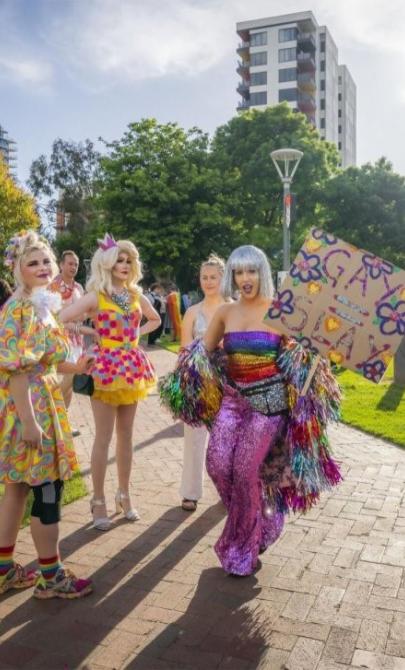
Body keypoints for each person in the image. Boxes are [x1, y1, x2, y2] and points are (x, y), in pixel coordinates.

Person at [161, 245, 341, 576]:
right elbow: (203, 352)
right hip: (232, 402)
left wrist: (316, 354)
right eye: (239, 272)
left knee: (245, 470)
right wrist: (187, 374)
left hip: (268, 406)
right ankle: (262, 522)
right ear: (233, 276)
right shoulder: (226, 313)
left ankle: (242, 547)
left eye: (252, 271)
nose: (245, 278)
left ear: (263, 273)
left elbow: (306, 357)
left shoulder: (280, 312)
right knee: (216, 464)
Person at [0, 230, 93, 599]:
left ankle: (4, 569)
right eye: (32, 262)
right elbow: (18, 370)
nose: (41, 267)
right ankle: (51, 577)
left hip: (36, 402)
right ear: (18, 268)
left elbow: (46, 360)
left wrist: (77, 367)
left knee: (17, 488)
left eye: (44, 261)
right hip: (31, 408)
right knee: (47, 490)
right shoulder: (21, 308)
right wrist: (29, 422)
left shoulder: (37, 304)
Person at [60, 233, 161, 531]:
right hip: (104, 369)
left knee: (126, 436)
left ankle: (124, 495)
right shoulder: (96, 295)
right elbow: (61, 317)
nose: (125, 264)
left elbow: (154, 319)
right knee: (103, 437)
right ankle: (99, 499)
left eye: (129, 260)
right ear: (107, 264)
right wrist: (89, 332)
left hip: (130, 367)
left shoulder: (134, 295)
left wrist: (134, 337)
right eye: (119, 259)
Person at [179, 254, 226, 512]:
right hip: (198, 382)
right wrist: (186, 381)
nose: (208, 282)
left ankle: (226, 489)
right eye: (204, 277)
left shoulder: (232, 308)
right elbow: (184, 348)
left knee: (225, 440)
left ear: (222, 279)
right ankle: (190, 492)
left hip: (227, 383)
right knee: (194, 439)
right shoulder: (192, 312)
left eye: (213, 277)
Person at [49, 250, 97, 435]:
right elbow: (53, 317)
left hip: (77, 340)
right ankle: (51, 415)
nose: (73, 267)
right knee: (68, 378)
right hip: (60, 337)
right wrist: (80, 327)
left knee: (71, 381)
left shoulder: (78, 287)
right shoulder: (53, 286)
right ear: (61, 264)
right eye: (70, 263)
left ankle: (63, 421)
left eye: (76, 264)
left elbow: (84, 312)